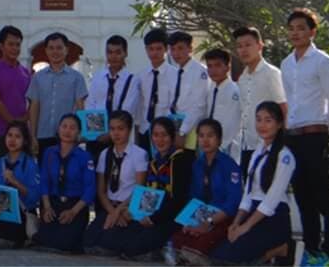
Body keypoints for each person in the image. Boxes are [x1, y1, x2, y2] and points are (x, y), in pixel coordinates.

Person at [280, 8, 329, 266]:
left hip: (316, 135)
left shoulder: (323, 61)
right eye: (292, 28)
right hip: (293, 137)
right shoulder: (286, 63)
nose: (296, 33)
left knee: (324, 197)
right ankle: (312, 250)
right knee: (303, 197)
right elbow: (288, 101)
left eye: (301, 28)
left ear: (312, 31)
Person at [211, 101, 295, 265]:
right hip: (253, 214)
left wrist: (245, 227)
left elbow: (271, 201)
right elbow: (248, 193)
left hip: (273, 217)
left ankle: (279, 249)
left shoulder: (285, 157)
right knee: (218, 254)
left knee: (230, 258)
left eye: (268, 120)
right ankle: (266, 255)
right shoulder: (257, 152)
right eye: (258, 119)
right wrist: (236, 223)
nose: (262, 125)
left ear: (279, 124)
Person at [117, 116, 192, 259]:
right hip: (150, 215)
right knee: (120, 240)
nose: (160, 140)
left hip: (170, 217)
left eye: (164, 135)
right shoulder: (154, 162)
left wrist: (153, 219)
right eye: (156, 135)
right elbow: (147, 194)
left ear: (171, 136)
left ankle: (160, 250)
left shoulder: (181, 160)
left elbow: (179, 199)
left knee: (133, 248)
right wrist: (132, 211)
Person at [170, 118, 243, 262]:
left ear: (220, 139)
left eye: (210, 135)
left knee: (203, 242)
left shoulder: (229, 165)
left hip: (223, 217)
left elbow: (233, 202)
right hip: (202, 215)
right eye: (201, 136)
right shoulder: (198, 164)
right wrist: (190, 221)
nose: (205, 140)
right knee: (178, 238)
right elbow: (194, 196)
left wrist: (209, 222)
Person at [83, 110, 148, 256]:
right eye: (112, 129)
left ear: (129, 130)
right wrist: (112, 212)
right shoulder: (105, 154)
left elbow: (139, 188)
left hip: (128, 208)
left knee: (108, 244)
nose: (116, 133)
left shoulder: (139, 154)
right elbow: (101, 191)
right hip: (109, 206)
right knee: (89, 241)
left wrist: (119, 211)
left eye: (121, 128)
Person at [33, 114, 96, 254]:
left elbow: (90, 189)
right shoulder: (49, 153)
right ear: (58, 129)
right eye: (64, 126)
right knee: (44, 241)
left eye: (72, 128)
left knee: (66, 244)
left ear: (79, 132)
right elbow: (44, 181)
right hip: (54, 204)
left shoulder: (84, 157)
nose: (67, 131)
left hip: (75, 205)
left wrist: (73, 211)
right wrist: (47, 207)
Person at [234, 26, 287, 179]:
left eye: (248, 44)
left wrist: (282, 144)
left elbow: (283, 108)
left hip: (269, 146)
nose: (243, 50)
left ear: (260, 45)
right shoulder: (242, 78)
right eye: (239, 46)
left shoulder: (272, 73)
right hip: (247, 145)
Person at [27, 33, 88, 160]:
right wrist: (32, 136)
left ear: (66, 50)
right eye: (51, 48)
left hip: (67, 136)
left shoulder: (76, 77)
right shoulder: (38, 77)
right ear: (46, 50)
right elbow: (34, 107)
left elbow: (81, 107)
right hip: (43, 135)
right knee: (45, 174)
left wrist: (81, 133)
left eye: (59, 48)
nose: (55, 51)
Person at [0, 121, 40, 248]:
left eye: (17, 136)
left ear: (25, 141)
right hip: (2, 210)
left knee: (7, 237)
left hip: (21, 213)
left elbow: (34, 197)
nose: (12, 140)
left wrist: (16, 182)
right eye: (10, 135)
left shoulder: (30, 164)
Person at [84, 35, 139, 159]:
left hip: (119, 136)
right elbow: (91, 104)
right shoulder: (98, 77)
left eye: (118, 52)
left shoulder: (132, 80)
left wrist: (110, 133)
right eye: (110, 52)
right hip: (96, 136)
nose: (113, 56)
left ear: (125, 53)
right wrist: (96, 133)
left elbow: (128, 109)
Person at [0, 25, 31, 166]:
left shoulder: (25, 72)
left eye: (18, 45)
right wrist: (13, 124)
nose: (15, 48)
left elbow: (32, 101)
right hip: (0, 133)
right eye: (11, 44)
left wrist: (23, 121)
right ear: (2, 46)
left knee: (19, 177)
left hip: (21, 134)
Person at [167, 31, 210, 164]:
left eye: (180, 48)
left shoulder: (200, 72)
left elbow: (199, 107)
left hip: (190, 131)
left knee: (189, 168)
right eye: (172, 49)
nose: (176, 53)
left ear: (190, 48)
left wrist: (182, 131)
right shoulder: (175, 72)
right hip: (175, 128)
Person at [134, 28, 174, 154]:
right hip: (145, 130)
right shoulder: (141, 76)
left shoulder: (175, 75)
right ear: (146, 50)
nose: (154, 53)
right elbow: (139, 105)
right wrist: (138, 128)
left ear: (166, 49)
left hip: (165, 132)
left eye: (158, 48)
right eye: (151, 49)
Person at [203, 48, 241, 156]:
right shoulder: (212, 88)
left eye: (218, 65)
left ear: (227, 67)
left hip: (225, 148)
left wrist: (219, 146)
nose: (213, 70)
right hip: (210, 146)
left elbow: (232, 124)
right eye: (210, 66)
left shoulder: (234, 92)